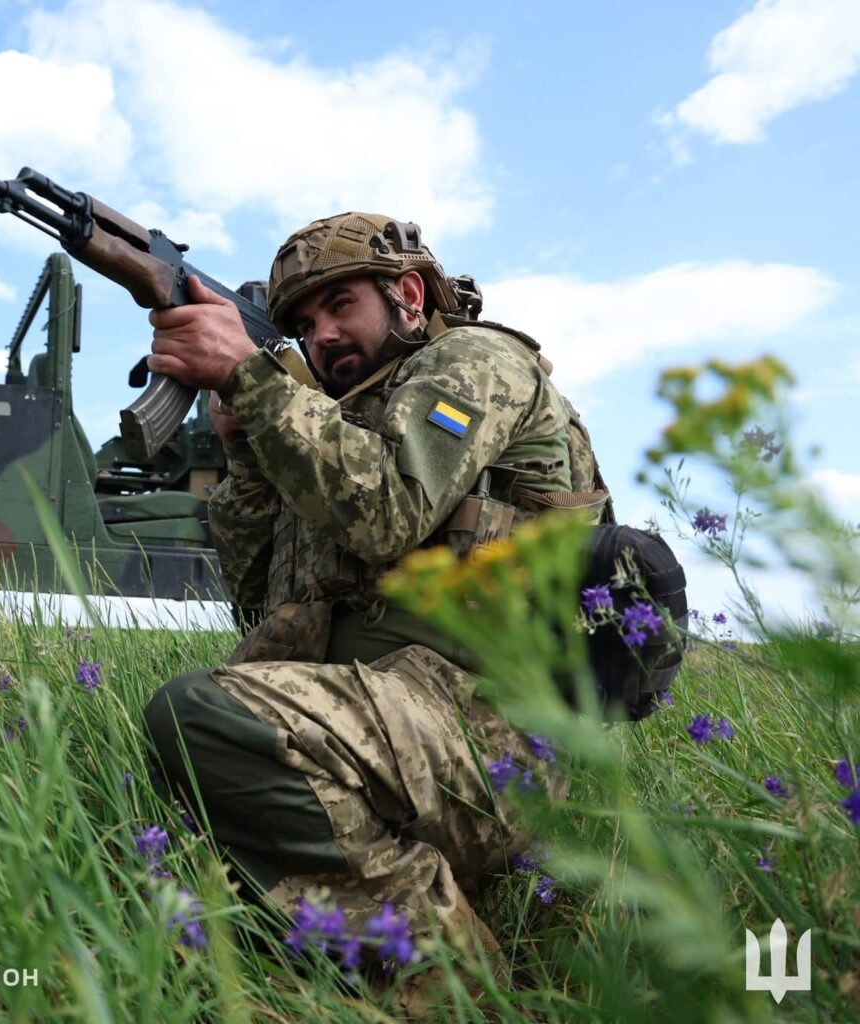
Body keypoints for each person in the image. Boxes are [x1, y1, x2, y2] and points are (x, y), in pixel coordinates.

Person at [139, 212, 613, 1005]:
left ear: (408, 293)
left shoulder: (477, 364)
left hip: (492, 734)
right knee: (185, 771)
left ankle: (455, 986)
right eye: (300, 324)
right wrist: (248, 444)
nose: (320, 335)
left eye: (339, 306)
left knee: (198, 717)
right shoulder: (334, 427)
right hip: (392, 732)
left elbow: (388, 507)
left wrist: (256, 382)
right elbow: (260, 609)